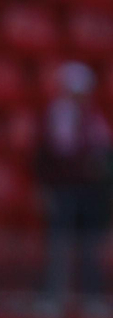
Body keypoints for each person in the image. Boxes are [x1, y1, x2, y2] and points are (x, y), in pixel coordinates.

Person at [40, 62, 113, 300]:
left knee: (90, 248)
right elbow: (54, 152)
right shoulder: (55, 116)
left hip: (90, 192)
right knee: (60, 246)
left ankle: (92, 297)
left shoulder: (96, 119)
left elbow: (104, 153)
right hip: (63, 189)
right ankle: (55, 296)